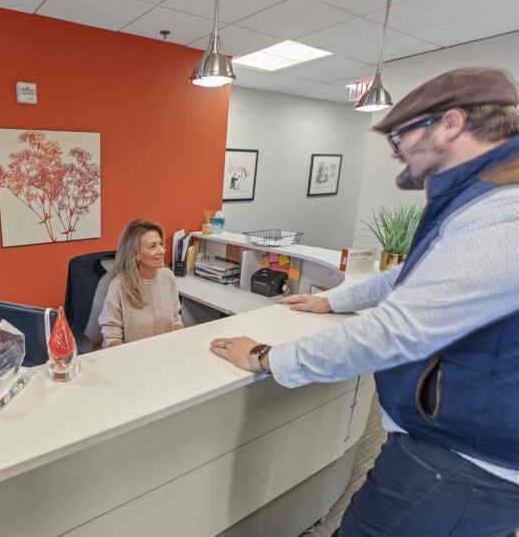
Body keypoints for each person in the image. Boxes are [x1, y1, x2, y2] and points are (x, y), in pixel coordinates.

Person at [210, 67, 519, 535]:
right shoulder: (482, 195)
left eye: (400, 135)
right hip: (449, 450)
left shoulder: (505, 212)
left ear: (452, 124)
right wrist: (335, 301)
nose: (395, 151)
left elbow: (391, 332)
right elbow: (415, 271)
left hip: (461, 466)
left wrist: (265, 357)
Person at [99, 219, 183, 348]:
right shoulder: (118, 286)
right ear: (135, 255)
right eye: (152, 246)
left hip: (166, 350)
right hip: (131, 355)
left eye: (160, 244)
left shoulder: (168, 276)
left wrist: (178, 343)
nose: (161, 250)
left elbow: (176, 317)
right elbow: (111, 336)